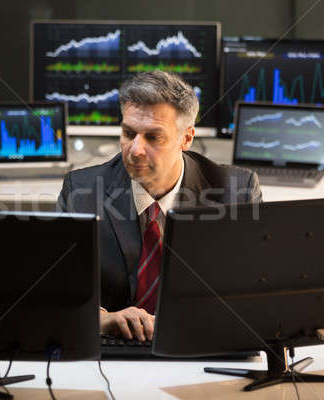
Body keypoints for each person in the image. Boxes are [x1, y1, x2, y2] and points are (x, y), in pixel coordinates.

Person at [57, 71, 261, 341]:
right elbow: (58, 295)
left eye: (153, 137)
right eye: (129, 133)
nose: (136, 149)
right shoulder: (80, 191)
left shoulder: (238, 192)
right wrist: (104, 319)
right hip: (112, 350)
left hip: (199, 341)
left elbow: (252, 295)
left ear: (186, 139)